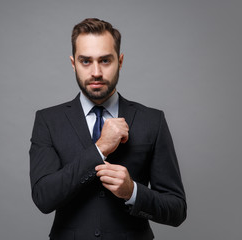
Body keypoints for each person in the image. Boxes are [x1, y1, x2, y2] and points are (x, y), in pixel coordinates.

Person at [29, 18, 186, 240]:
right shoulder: (48, 120)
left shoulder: (153, 120)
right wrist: (100, 148)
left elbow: (177, 210)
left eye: (105, 60)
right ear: (73, 63)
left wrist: (132, 192)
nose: (96, 72)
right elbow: (43, 198)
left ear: (120, 61)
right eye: (86, 61)